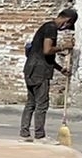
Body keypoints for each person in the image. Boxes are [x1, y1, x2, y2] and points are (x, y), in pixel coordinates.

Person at [20, 9, 77, 141]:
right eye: (68, 25)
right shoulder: (51, 28)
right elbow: (47, 50)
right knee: (42, 104)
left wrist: (60, 69)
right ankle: (40, 135)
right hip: (40, 71)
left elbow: (44, 55)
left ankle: (24, 133)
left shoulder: (46, 27)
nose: (65, 28)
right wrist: (64, 47)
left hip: (30, 69)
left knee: (31, 103)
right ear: (67, 20)